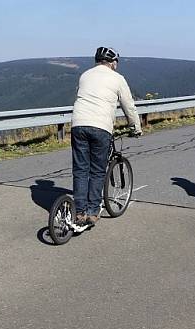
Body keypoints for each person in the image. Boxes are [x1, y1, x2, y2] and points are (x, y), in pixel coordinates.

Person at [70, 47, 142, 228]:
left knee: (80, 170)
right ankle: (93, 212)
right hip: (100, 128)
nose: (117, 65)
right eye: (116, 61)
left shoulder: (85, 75)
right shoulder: (118, 79)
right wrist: (135, 128)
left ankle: (79, 211)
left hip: (78, 125)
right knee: (97, 171)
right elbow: (129, 106)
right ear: (112, 62)